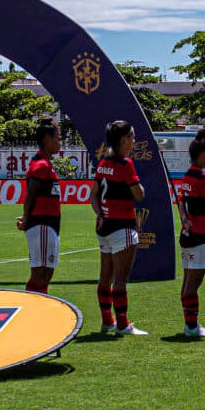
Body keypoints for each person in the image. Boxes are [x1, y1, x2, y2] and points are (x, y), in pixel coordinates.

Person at [91, 120, 147, 336]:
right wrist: (140, 185)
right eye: (132, 137)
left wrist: (100, 214)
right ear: (124, 140)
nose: (134, 140)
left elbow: (93, 194)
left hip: (104, 227)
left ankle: (107, 321)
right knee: (120, 279)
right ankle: (123, 325)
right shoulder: (125, 164)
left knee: (105, 276)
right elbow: (139, 195)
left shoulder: (103, 162)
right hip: (122, 226)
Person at [178, 128, 205, 337]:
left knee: (188, 280)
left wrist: (185, 220)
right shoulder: (203, 178)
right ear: (201, 155)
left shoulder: (186, 176)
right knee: (193, 282)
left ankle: (190, 324)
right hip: (202, 234)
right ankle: (192, 326)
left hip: (187, 233)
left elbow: (180, 203)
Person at [17, 119, 62, 294]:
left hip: (49, 225)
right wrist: (27, 218)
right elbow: (30, 195)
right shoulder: (41, 165)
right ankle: (31, 312)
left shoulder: (46, 164)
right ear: (46, 139)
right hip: (42, 224)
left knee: (46, 274)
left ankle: (39, 312)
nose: (60, 142)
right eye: (57, 138)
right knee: (40, 274)